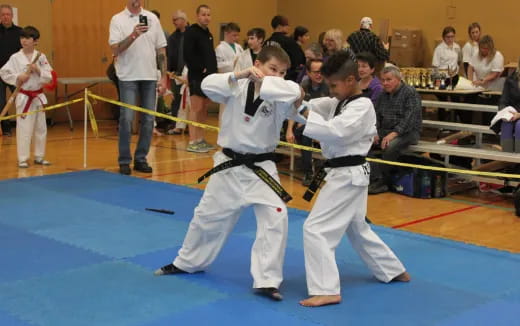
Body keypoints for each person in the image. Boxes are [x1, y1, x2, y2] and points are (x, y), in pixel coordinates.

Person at [154, 46, 304, 302]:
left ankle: (267, 280)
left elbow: (297, 95)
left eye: (282, 72)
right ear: (257, 63)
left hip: (263, 169)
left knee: (275, 220)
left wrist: (286, 89)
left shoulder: (281, 93)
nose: (278, 76)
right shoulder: (235, 85)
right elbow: (207, 85)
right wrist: (239, 74)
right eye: (272, 69)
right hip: (230, 164)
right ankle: (187, 262)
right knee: (206, 217)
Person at [289, 52, 409, 307]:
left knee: (316, 229)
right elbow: (310, 107)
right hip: (346, 174)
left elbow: (336, 132)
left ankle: (326, 289)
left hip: (347, 175)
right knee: (357, 228)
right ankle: (392, 269)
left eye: (334, 85)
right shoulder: (337, 102)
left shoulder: (362, 106)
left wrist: (307, 115)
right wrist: (297, 102)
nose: (330, 90)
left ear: (351, 79)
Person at [109, 0, 168, 175]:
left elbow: (161, 51)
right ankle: (124, 160)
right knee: (126, 119)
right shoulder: (117, 19)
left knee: (149, 120)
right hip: (128, 77)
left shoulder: (152, 18)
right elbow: (115, 49)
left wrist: (163, 77)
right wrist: (134, 34)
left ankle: (141, 158)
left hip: (149, 76)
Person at [0, 26, 53, 168]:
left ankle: (39, 156)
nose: (24, 41)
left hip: (38, 96)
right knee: (24, 128)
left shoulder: (40, 57)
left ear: (35, 41)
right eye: (22, 38)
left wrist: (38, 70)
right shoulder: (15, 57)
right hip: (24, 97)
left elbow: (49, 75)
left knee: (41, 127)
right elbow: (4, 72)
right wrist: (18, 77)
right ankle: (23, 158)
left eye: (27, 38)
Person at [368, 65, 422, 194]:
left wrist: (392, 134)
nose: (385, 83)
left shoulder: (410, 93)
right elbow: (376, 116)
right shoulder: (382, 95)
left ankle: (383, 182)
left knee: (390, 147)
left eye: (388, 79)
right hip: (385, 130)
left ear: (398, 79)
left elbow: (409, 120)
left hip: (408, 132)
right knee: (363, 142)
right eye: (383, 80)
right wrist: (374, 132)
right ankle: (375, 177)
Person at [286, 59, 329, 186]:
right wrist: (289, 130)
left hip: (324, 124)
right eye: (315, 72)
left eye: (321, 72)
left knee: (305, 132)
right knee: (302, 132)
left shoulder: (329, 87)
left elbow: (331, 113)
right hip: (306, 122)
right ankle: (309, 169)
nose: (319, 75)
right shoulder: (303, 86)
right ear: (308, 73)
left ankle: (309, 170)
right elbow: (295, 108)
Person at [183, 4, 217, 153]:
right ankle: (192, 140)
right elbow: (187, 54)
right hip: (197, 76)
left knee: (204, 108)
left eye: (208, 14)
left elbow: (210, 55)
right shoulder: (191, 32)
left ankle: (201, 139)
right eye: (203, 14)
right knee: (196, 108)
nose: (206, 17)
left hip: (209, 77)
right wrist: (200, 68)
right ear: (197, 16)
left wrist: (213, 71)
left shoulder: (208, 34)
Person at [0, 4, 22, 136]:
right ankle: (6, 128)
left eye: (7, 14)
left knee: (21, 99)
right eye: (3, 14)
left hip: (15, 73)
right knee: (1, 102)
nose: (5, 17)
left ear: (12, 16)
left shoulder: (20, 32)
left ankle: (24, 126)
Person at [215, 22, 243, 124]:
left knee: (237, 110)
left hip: (239, 82)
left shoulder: (239, 47)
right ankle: (222, 135)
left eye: (237, 35)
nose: (236, 37)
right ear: (226, 33)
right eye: (234, 35)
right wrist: (233, 63)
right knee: (225, 109)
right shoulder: (220, 48)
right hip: (226, 81)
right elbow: (218, 66)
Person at [166, 9, 188, 135]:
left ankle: (190, 126)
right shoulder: (173, 37)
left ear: (184, 20)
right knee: (176, 100)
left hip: (190, 73)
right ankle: (176, 125)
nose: (173, 22)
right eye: (173, 20)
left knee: (190, 102)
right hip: (176, 73)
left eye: (176, 19)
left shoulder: (192, 34)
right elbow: (170, 55)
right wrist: (169, 71)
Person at [264, 15, 304, 82]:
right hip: (285, 77)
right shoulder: (290, 42)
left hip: (269, 77)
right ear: (279, 26)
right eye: (287, 25)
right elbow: (300, 60)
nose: (289, 27)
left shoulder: (266, 42)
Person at [496, 59, 520, 152]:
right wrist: (504, 112)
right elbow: (503, 100)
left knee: (519, 126)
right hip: (513, 113)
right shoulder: (511, 79)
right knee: (506, 124)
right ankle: (507, 160)